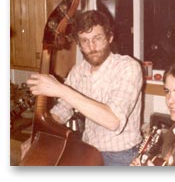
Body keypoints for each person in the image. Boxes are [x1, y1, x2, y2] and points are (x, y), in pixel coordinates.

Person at [26, 10, 143, 166]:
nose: (92, 47)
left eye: (97, 38)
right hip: (89, 149)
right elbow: (63, 109)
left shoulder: (128, 67)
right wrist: (37, 136)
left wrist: (60, 89)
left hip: (122, 155)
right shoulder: (78, 70)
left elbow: (113, 120)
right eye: (84, 41)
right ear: (79, 44)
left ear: (110, 38)